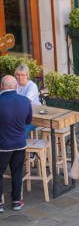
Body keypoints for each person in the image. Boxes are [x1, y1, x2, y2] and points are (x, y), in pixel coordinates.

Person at [0, 75, 32, 213]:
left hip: (2, 145)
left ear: (1, 86)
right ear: (16, 86)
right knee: (17, 172)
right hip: (20, 143)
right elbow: (28, 121)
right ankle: (16, 201)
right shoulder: (25, 101)